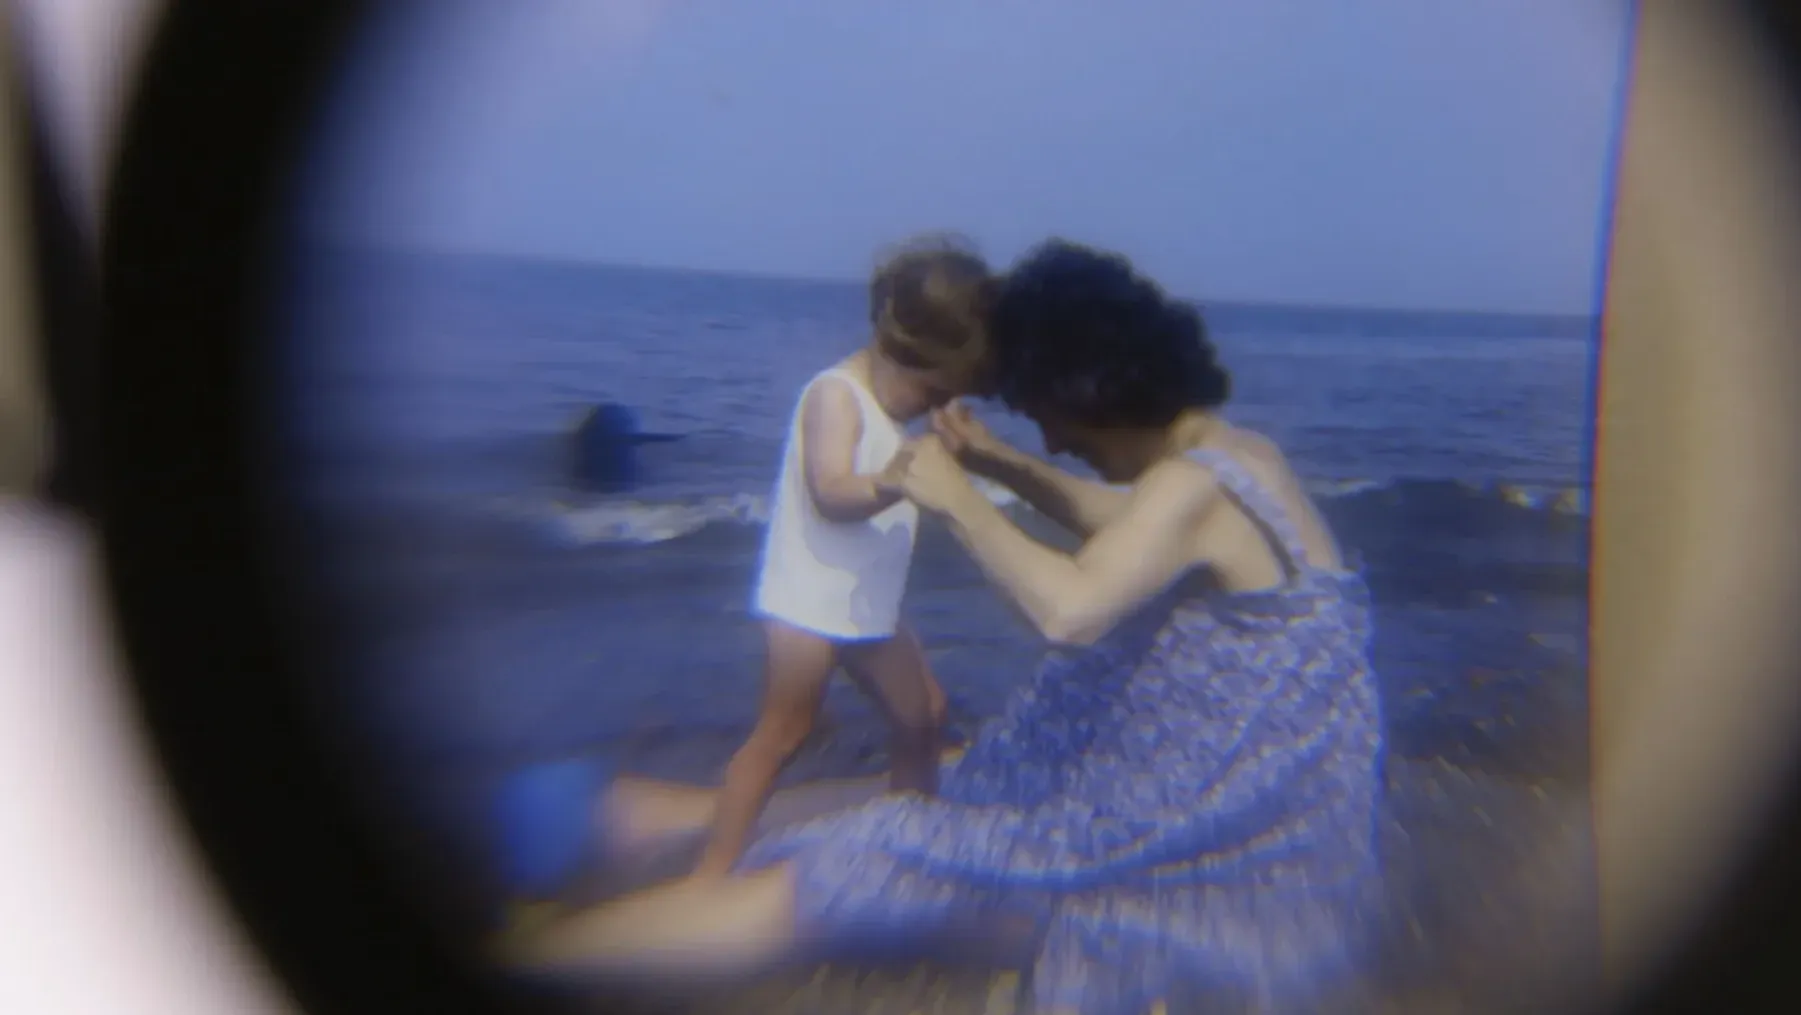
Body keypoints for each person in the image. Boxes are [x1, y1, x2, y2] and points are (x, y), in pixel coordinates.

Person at [494, 239, 1385, 1013]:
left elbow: (1070, 611)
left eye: (1043, 419)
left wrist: (958, 497)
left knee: (870, 862)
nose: (1051, 441)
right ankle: (657, 818)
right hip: (1274, 824)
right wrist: (1000, 465)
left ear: (1089, 393)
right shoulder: (1235, 454)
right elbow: (1128, 522)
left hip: (1191, 850)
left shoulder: (1192, 487)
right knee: (967, 774)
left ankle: (519, 960)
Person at [689, 234, 995, 880]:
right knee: (784, 734)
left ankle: (908, 846)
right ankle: (711, 872)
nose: (935, 407)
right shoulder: (835, 395)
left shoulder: (893, 409)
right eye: (932, 392)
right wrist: (894, 479)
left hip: (865, 603)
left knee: (925, 716)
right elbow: (830, 490)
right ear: (899, 354)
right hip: (807, 602)